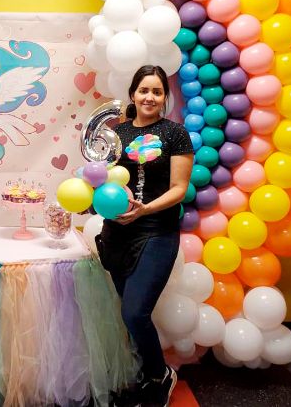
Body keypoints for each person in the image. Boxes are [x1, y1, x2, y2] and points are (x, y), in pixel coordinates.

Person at [98, 65, 193, 407]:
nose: (150, 97)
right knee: (129, 314)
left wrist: (145, 210)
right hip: (118, 234)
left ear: (164, 97)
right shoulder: (117, 134)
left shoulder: (175, 133)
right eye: (144, 90)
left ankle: (160, 375)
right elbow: (105, 182)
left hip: (156, 232)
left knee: (135, 312)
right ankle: (144, 376)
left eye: (157, 91)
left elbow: (179, 188)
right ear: (133, 94)